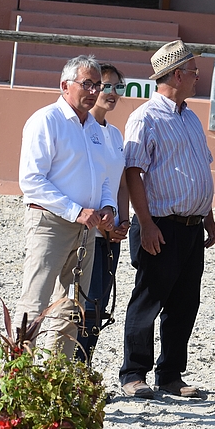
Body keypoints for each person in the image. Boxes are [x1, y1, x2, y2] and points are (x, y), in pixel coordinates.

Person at [119, 40, 215, 399]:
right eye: (193, 72)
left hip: (191, 227)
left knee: (185, 302)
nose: (197, 78)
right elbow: (133, 172)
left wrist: (207, 215)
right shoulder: (144, 118)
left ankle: (171, 375)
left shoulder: (190, 116)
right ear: (176, 75)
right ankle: (133, 373)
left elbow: (198, 170)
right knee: (148, 299)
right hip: (161, 225)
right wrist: (145, 224)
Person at [16, 55, 117, 357]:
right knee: (35, 301)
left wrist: (109, 206)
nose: (94, 91)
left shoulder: (95, 129)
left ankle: (55, 379)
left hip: (86, 228)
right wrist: (75, 211)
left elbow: (104, 178)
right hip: (51, 224)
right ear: (64, 85)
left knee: (73, 307)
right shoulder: (46, 121)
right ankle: (16, 376)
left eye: (97, 85)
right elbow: (31, 180)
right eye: (87, 84)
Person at [75, 63, 130, 362]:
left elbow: (120, 182)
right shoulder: (84, 129)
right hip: (87, 230)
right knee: (85, 304)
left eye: (117, 87)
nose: (111, 93)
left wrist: (123, 221)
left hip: (111, 233)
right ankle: (74, 372)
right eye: (106, 86)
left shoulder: (115, 134)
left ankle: (83, 370)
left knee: (100, 305)